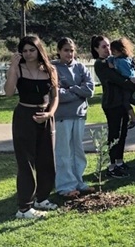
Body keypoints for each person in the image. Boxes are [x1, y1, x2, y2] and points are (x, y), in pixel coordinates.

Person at [4, 35, 59, 219]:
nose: (28, 54)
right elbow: (9, 92)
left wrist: (50, 114)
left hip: (45, 117)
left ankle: (42, 199)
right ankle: (24, 209)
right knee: (26, 163)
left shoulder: (50, 69)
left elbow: (55, 96)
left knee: (47, 160)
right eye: (24, 51)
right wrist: (12, 67)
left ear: (38, 50)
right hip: (24, 117)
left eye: (31, 50)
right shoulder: (18, 69)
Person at [51, 37, 95, 198]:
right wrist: (78, 92)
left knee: (78, 151)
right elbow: (57, 94)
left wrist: (72, 88)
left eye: (71, 50)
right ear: (59, 51)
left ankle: (79, 182)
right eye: (65, 50)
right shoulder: (53, 68)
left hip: (80, 115)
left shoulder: (81, 67)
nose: (69, 53)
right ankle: (65, 186)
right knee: (64, 152)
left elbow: (90, 90)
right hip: (62, 116)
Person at [91, 35, 135, 178]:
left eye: (109, 46)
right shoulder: (100, 64)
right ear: (96, 49)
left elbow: (129, 71)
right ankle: (111, 167)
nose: (108, 49)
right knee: (114, 135)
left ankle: (119, 162)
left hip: (121, 102)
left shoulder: (115, 61)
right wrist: (132, 83)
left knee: (123, 133)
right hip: (112, 104)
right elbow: (119, 80)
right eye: (103, 47)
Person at [108, 37, 135, 129]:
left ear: (119, 50)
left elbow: (126, 73)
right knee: (130, 99)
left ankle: (134, 119)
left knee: (125, 101)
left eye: (113, 51)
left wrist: (114, 69)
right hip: (130, 83)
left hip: (129, 83)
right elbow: (111, 58)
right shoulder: (121, 58)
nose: (112, 53)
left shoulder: (122, 61)